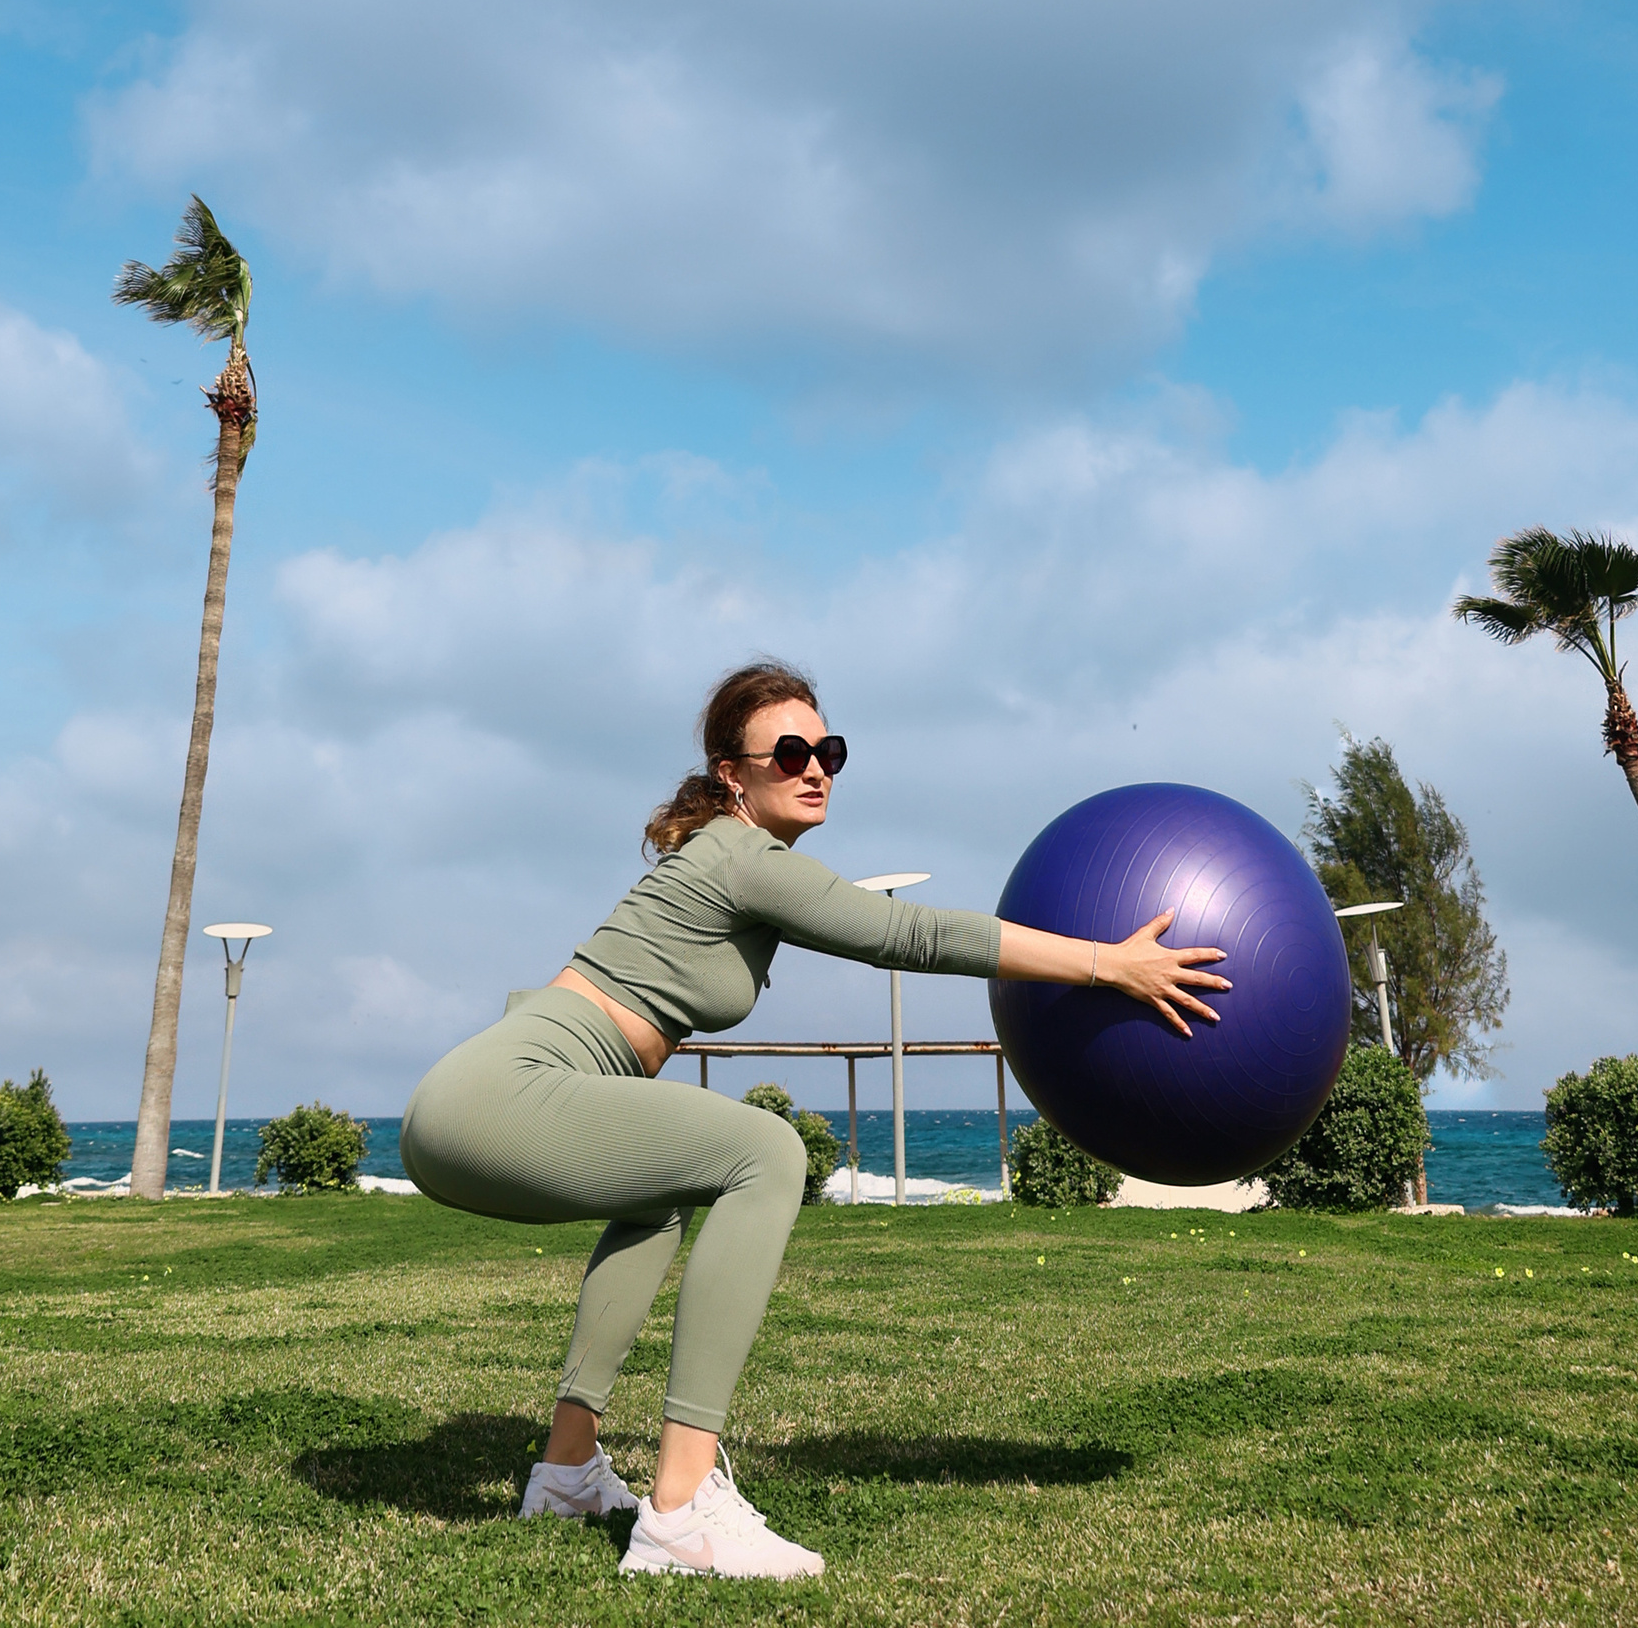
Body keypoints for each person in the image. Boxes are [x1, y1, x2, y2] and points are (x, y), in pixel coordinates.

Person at [400, 659, 1230, 1580]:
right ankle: (679, 1510)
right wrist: (1106, 964)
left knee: (657, 1200)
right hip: (498, 1092)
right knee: (765, 1150)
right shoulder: (738, 856)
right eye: (789, 752)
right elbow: (908, 934)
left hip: (484, 1097)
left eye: (827, 751)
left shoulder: (728, 860)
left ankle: (567, 1472)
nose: (814, 769)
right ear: (732, 774)